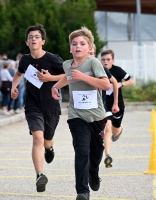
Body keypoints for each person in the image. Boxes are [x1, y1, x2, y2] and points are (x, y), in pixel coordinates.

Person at [51, 27, 111, 200]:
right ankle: (82, 191)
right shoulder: (67, 65)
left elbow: (106, 85)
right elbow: (68, 76)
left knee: (96, 153)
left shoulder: (93, 63)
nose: (78, 46)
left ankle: (93, 172)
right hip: (76, 116)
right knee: (81, 151)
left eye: (82, 44)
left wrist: (83, 77)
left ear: (89, 48)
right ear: (70, 48)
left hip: (97, 117)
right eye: (74, 44)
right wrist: (56, 87)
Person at [11, 24, 65, 193]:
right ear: (27, 42)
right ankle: (39, 175)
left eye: (36, 37)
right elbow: (18, 74)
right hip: (32, 106)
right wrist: (13, 88)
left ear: (43, 41)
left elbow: (69, 75)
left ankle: (50, 149)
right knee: (37, 139)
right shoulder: (25, 60)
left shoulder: (53, 59)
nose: (33, 39)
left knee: (47, 141)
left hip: (51, 107)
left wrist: (50, 77)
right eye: (30, 37)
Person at [100, 49, 134, 168]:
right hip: (104, 105)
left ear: (112, 60)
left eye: (108, 60)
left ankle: (119, 129)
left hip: (118, 105)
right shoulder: (98, 70)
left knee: (115, 131)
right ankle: (108, 155)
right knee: (107, 127)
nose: (105, 62)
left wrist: (121, 84)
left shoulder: (117, 71)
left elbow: (131, 81)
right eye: (103, 59)